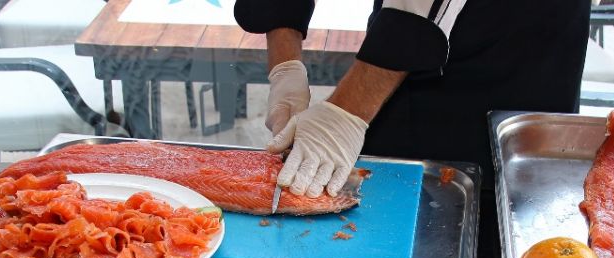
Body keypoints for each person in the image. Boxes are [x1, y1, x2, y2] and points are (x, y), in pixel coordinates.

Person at [234, 1, 591, 198]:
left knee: (505, 212)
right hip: (402, 46)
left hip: (517, 50)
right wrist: (285, 66)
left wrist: (345, 114)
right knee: (371, 194)